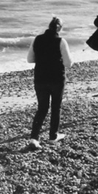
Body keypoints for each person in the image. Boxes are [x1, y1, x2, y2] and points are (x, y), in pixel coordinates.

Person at [26, 17, 73, 150]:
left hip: (40, 77)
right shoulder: (61, 41)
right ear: (60, 28)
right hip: (57, 78)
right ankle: (53, 135)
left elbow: (30, 59)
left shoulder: (37, 39)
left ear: (49, 26)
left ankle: (34, 138)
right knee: (56, 106)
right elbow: (68, 63)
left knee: (42, 108)